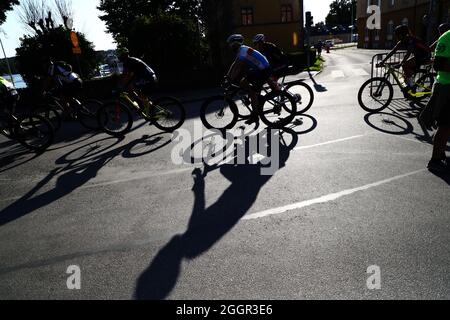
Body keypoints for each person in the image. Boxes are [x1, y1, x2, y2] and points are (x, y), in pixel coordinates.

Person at [226, 34, 277, 125]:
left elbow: (238, 66)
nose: (230, 47)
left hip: (263, 70)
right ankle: (256, 98)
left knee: (253, 91)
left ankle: (255, 115)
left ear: (236, 44)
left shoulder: (243, 51)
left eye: (231, 45)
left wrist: (230, 80)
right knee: (243, 83)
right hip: (258, 70)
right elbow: (235, 64)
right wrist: (228, 76)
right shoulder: (241, 50)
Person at [418, 29, 450, 172]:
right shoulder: (447, 37)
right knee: (444, 124)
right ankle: (436, 159)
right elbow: (438, 64)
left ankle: (441, 151)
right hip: (446, 87)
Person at [377, 25, 432, 94]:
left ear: (402, 34)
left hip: (425, 55)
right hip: (418, 55)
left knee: (405, 65)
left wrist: (401, 63)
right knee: (406, 72)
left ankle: (412, 86)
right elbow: (393, 51)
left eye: (398, 35)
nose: (396, 37)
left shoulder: (411, 40)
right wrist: (383, 61)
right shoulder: (402, 40)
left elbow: (408, 53)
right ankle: (410, 86)